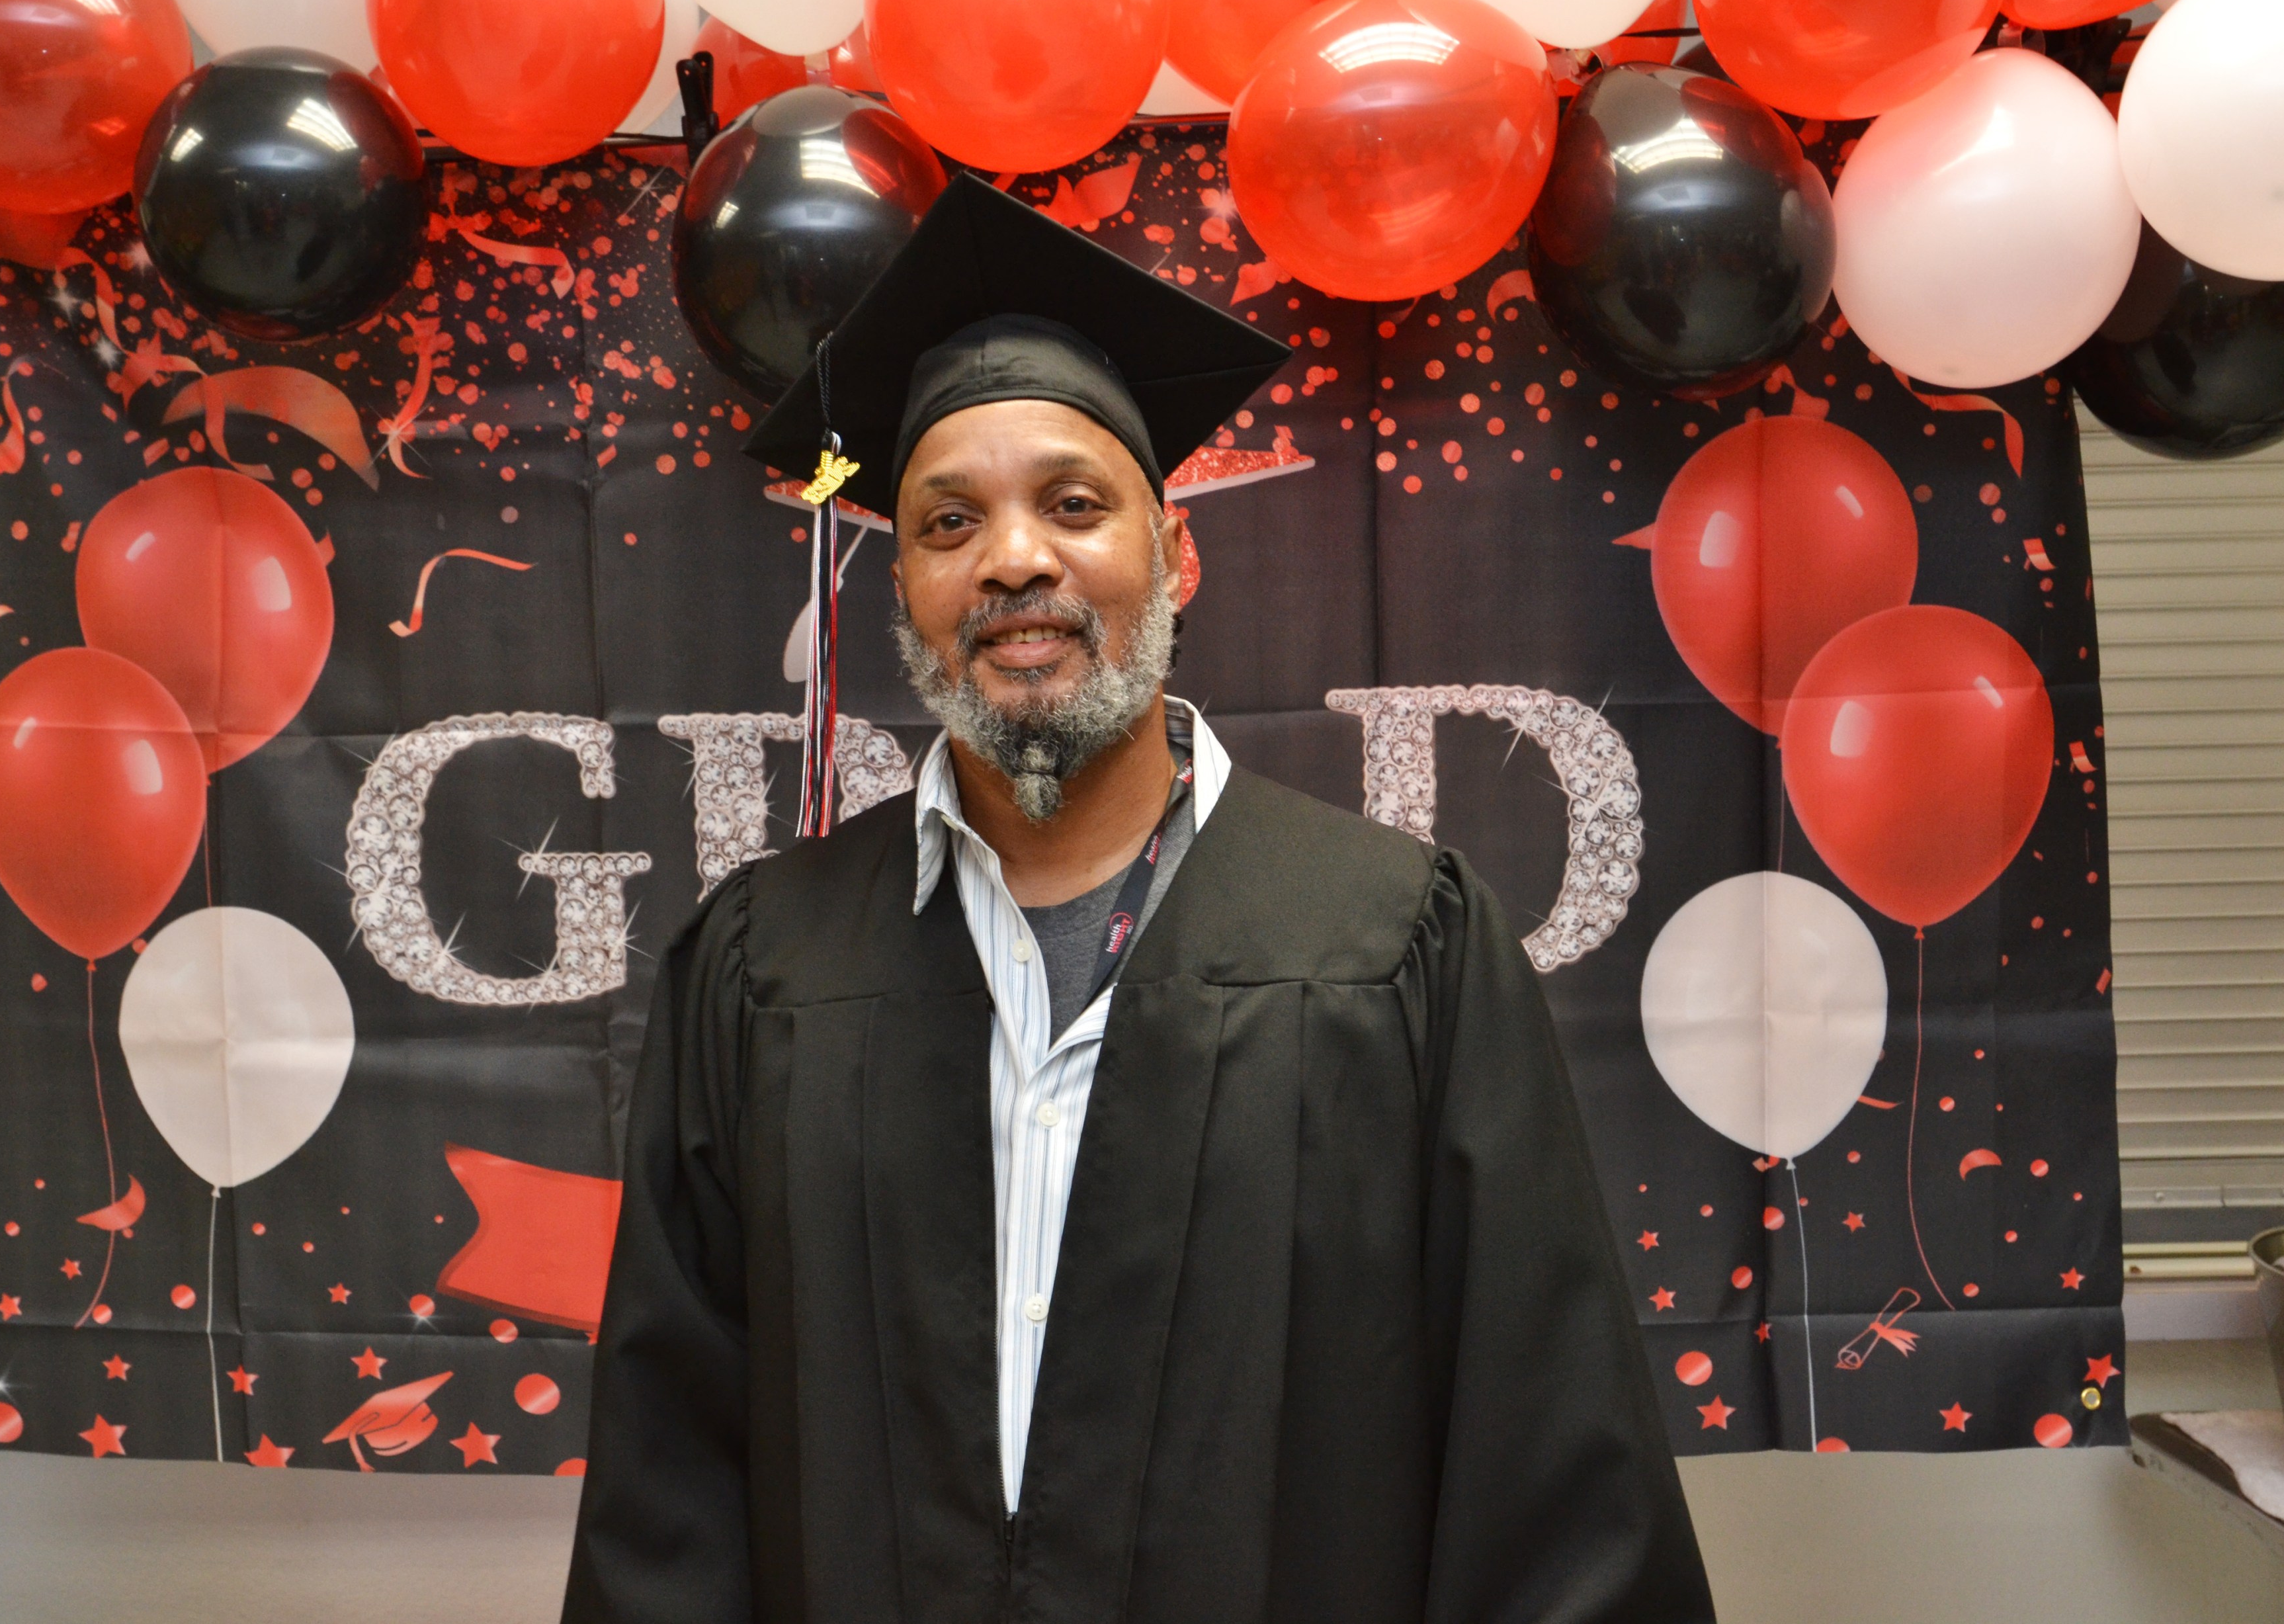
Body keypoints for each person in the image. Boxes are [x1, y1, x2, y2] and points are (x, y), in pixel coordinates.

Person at [563, 177, 1713, 1624]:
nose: (1015, 558)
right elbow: (671, 1490)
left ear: (1175, 557)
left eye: (1075, 503)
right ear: (907, 585)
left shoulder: (1395, 938)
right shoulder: (762, 962)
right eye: (946, 521)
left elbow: (1549, 1466)